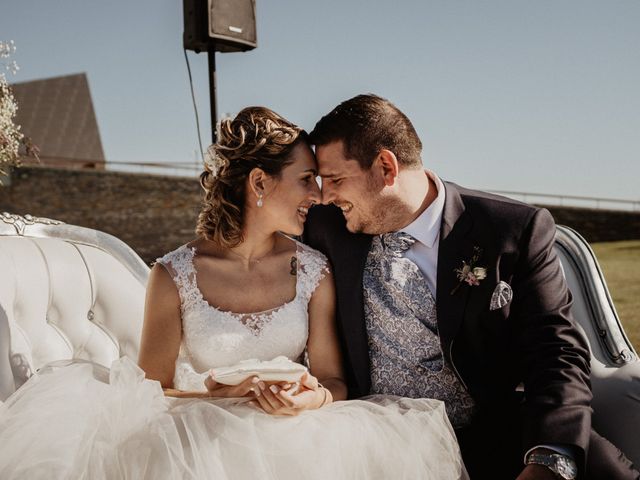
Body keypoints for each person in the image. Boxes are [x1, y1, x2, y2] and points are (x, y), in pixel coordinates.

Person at [0, 106, 466, 479]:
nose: (317, 195)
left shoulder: (312, 270)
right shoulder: (174, 275)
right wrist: (228, 396)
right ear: (260, 183)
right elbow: (147, 391)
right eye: (306, 179)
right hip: (197, 445)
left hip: (304, 438)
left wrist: (312, 399)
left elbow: (334, 380)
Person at [303, 93, 640, 480]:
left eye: (334, 179)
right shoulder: (327, 226)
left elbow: (555, 350)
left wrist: (549, 457)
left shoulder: (512, 230)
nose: (324, 195)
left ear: (385, 166)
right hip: (375, 444)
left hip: (495, 435)